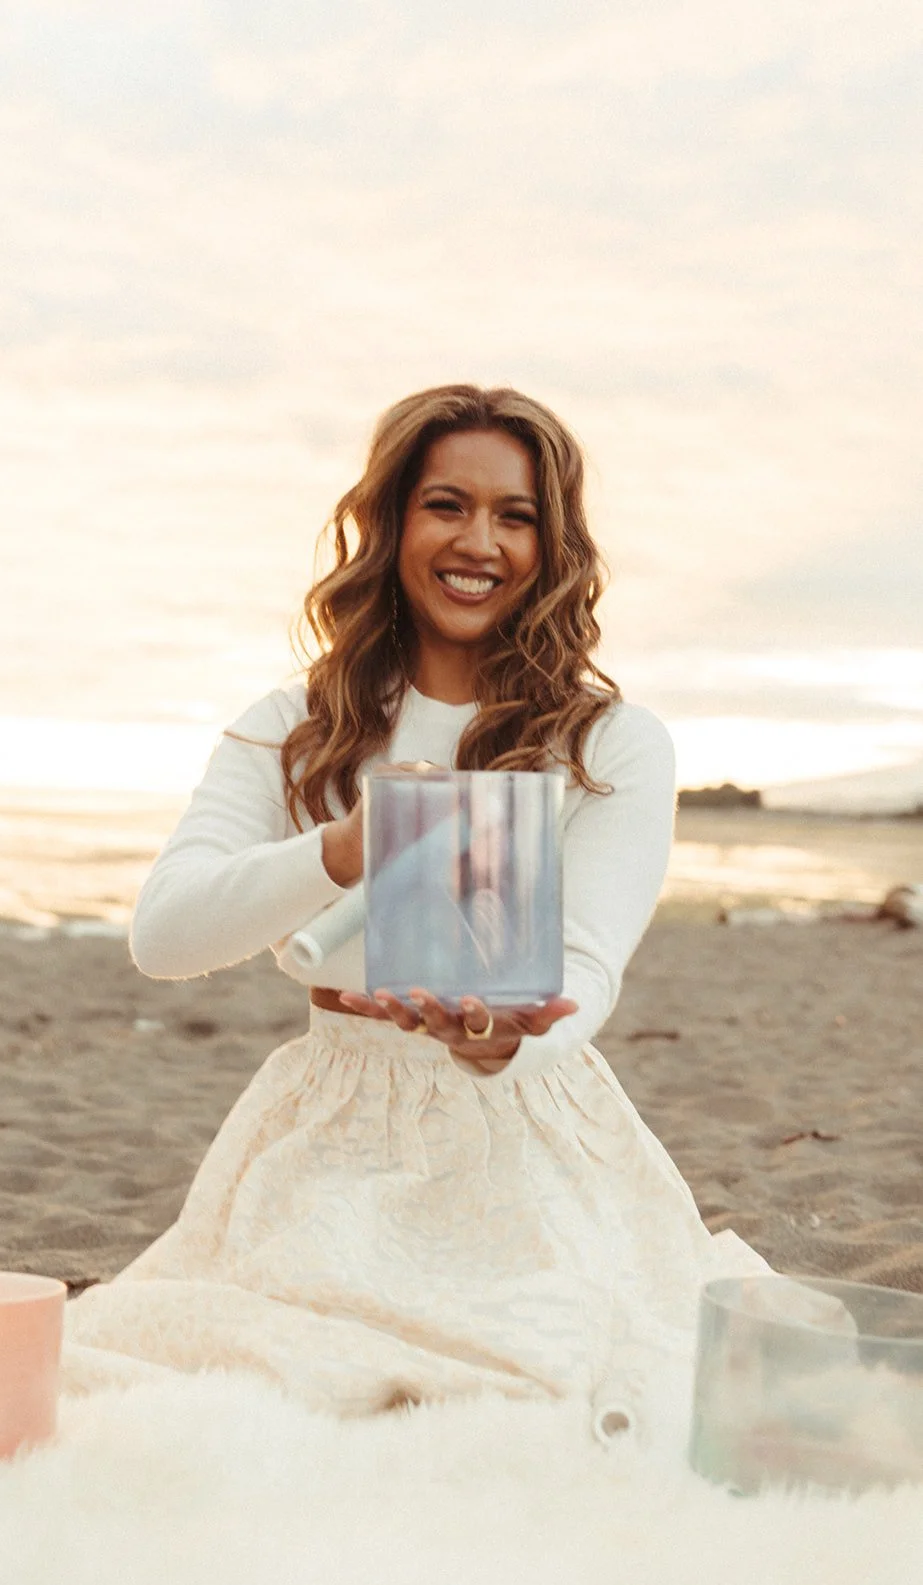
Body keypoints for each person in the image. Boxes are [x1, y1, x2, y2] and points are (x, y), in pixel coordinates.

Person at [62, 383, 768, 1448]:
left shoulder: (609, 741)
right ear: (391, 523)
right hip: (327, 1129)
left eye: (515, 515)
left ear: (552, 541)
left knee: (536, 1404)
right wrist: (342, 845)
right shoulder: (293, 728)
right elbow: (163, 935)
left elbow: (587, 963)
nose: (478, 540)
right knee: (257, 1394)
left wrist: (505, 1038)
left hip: (529, 1137)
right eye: (446, 504)